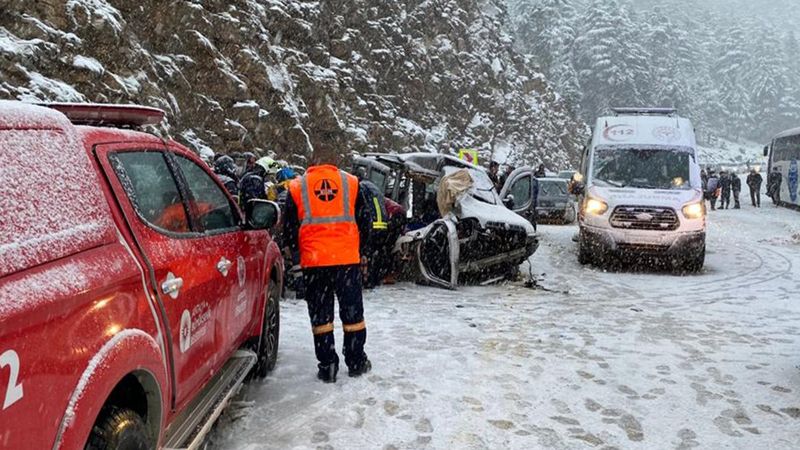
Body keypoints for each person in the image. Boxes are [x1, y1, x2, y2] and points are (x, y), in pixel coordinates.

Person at [284, 155, 373, 383]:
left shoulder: (297, 187)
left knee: (321, 317)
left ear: (311, 166)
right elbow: (365, 220)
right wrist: (363, 251)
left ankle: (328, 365)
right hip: (346, 261)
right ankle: (355, 362)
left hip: (314, 263)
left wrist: (296, 261)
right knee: (353, 314)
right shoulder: (351, 183)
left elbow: (289, 229)